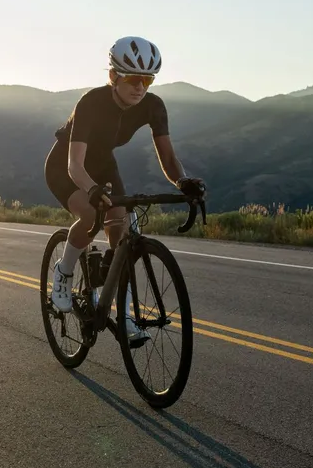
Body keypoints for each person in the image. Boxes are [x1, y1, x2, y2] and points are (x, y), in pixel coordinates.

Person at [43, 36, 205, 323]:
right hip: (66, 166)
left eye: (148, 80)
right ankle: (64, 271)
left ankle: (122, 311)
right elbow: (74, 165)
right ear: (113, 76)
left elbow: (168, 159)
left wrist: (182, 182)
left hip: (104, 165)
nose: (140, 87)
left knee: (120, 233)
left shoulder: (153, 106)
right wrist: (91, 189)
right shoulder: (91, 103)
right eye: (133, 79)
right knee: (92, 214)